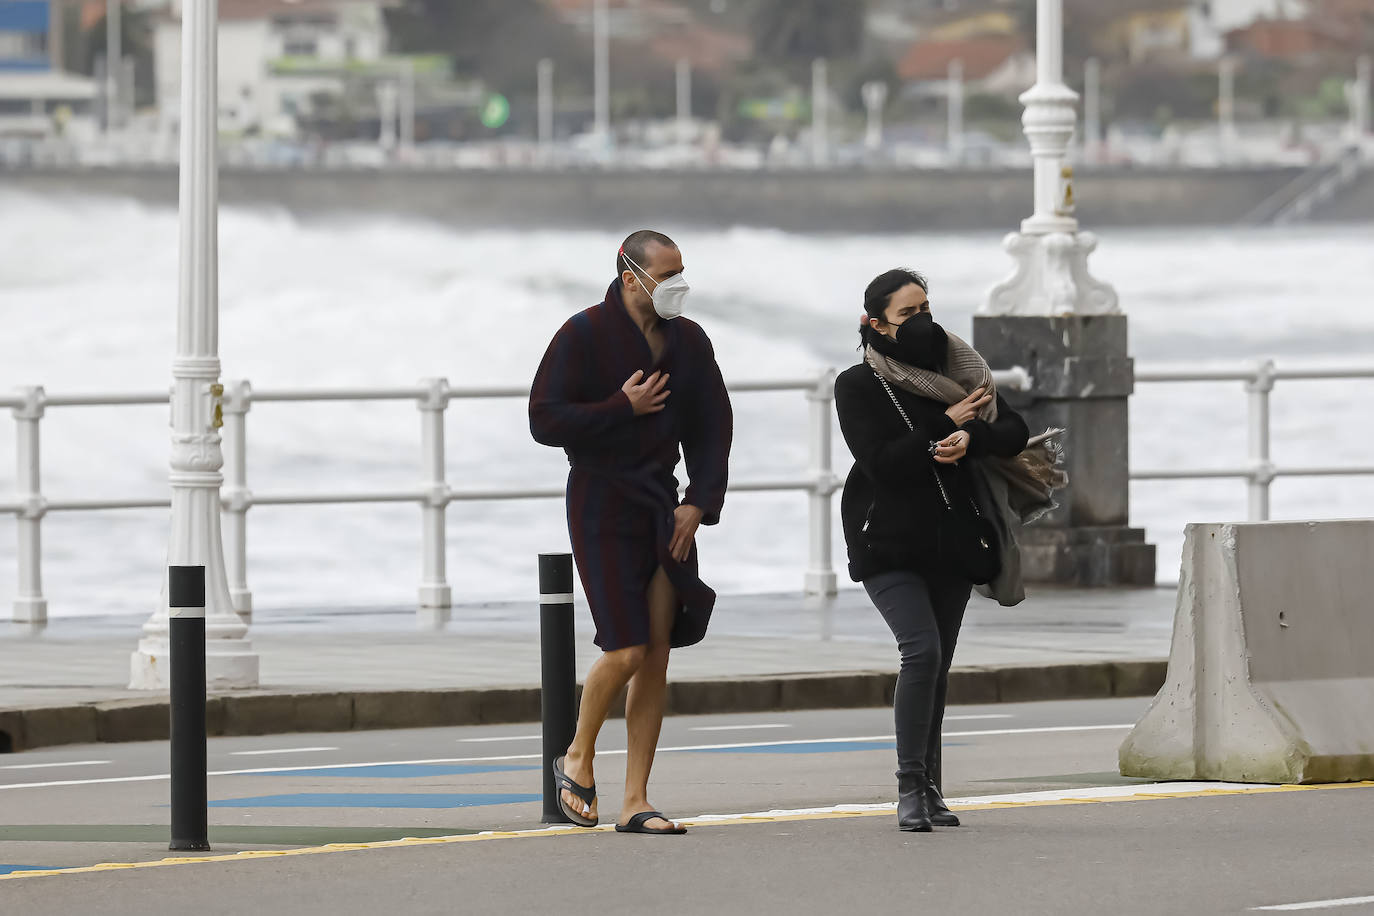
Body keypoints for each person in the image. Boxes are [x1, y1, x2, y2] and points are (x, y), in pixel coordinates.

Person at [529, 229, 733, 835]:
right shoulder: (583, 333)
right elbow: (544, 419)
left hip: (663, 506)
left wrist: (698, 503)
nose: (677, 286)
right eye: (666, 276)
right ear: (629, 277)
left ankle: (636, 800)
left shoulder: (689, 342)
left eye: (681, 274)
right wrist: (621, 407)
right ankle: (577, 755)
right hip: (600, 501)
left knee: (657, 655)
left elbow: (713, 428)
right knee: (625, 646)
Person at [834, 268, 1029, 833]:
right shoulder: (858, 384)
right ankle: (909, 787)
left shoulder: (960, 371)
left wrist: (972, 438)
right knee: (919, 652)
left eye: (926, 309)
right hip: (887, 542)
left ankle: (932, 789)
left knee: (938, 664)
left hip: (951, 540)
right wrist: (943, 425)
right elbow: (883, 463)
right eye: (907, 314)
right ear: (876, 325)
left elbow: (1012, 429)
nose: (922, 322)